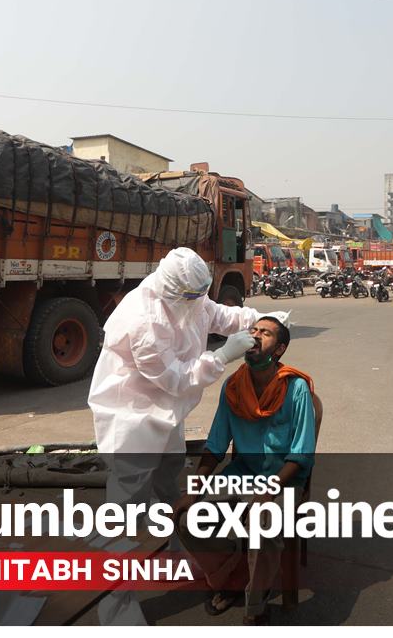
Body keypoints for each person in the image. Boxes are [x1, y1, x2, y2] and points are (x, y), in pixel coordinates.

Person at [87, 247, 287, 624]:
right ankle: (115, 609)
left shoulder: (188, 296)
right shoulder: (142, 320)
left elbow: (216, 313)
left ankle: (183, 555)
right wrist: (222, 356)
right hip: (131, 421)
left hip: (165, 416)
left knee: (168, 484)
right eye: (193, 296)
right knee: (122, 514)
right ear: (174, 289)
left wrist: (261, 319)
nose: (199, 302)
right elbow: (176, 379)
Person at [176, 316, 316, 625]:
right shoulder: (234, 385)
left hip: (284, 480)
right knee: (187, 520)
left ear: (278, 350)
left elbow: (301, 454)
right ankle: (232, 576)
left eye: (264, 333)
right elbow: (215, 445)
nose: (254, 336)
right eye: (252, 330)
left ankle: (256, 605)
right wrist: (193, 490)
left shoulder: (296, 389)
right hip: (241, 474)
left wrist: (269, 490)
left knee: (264, 523)